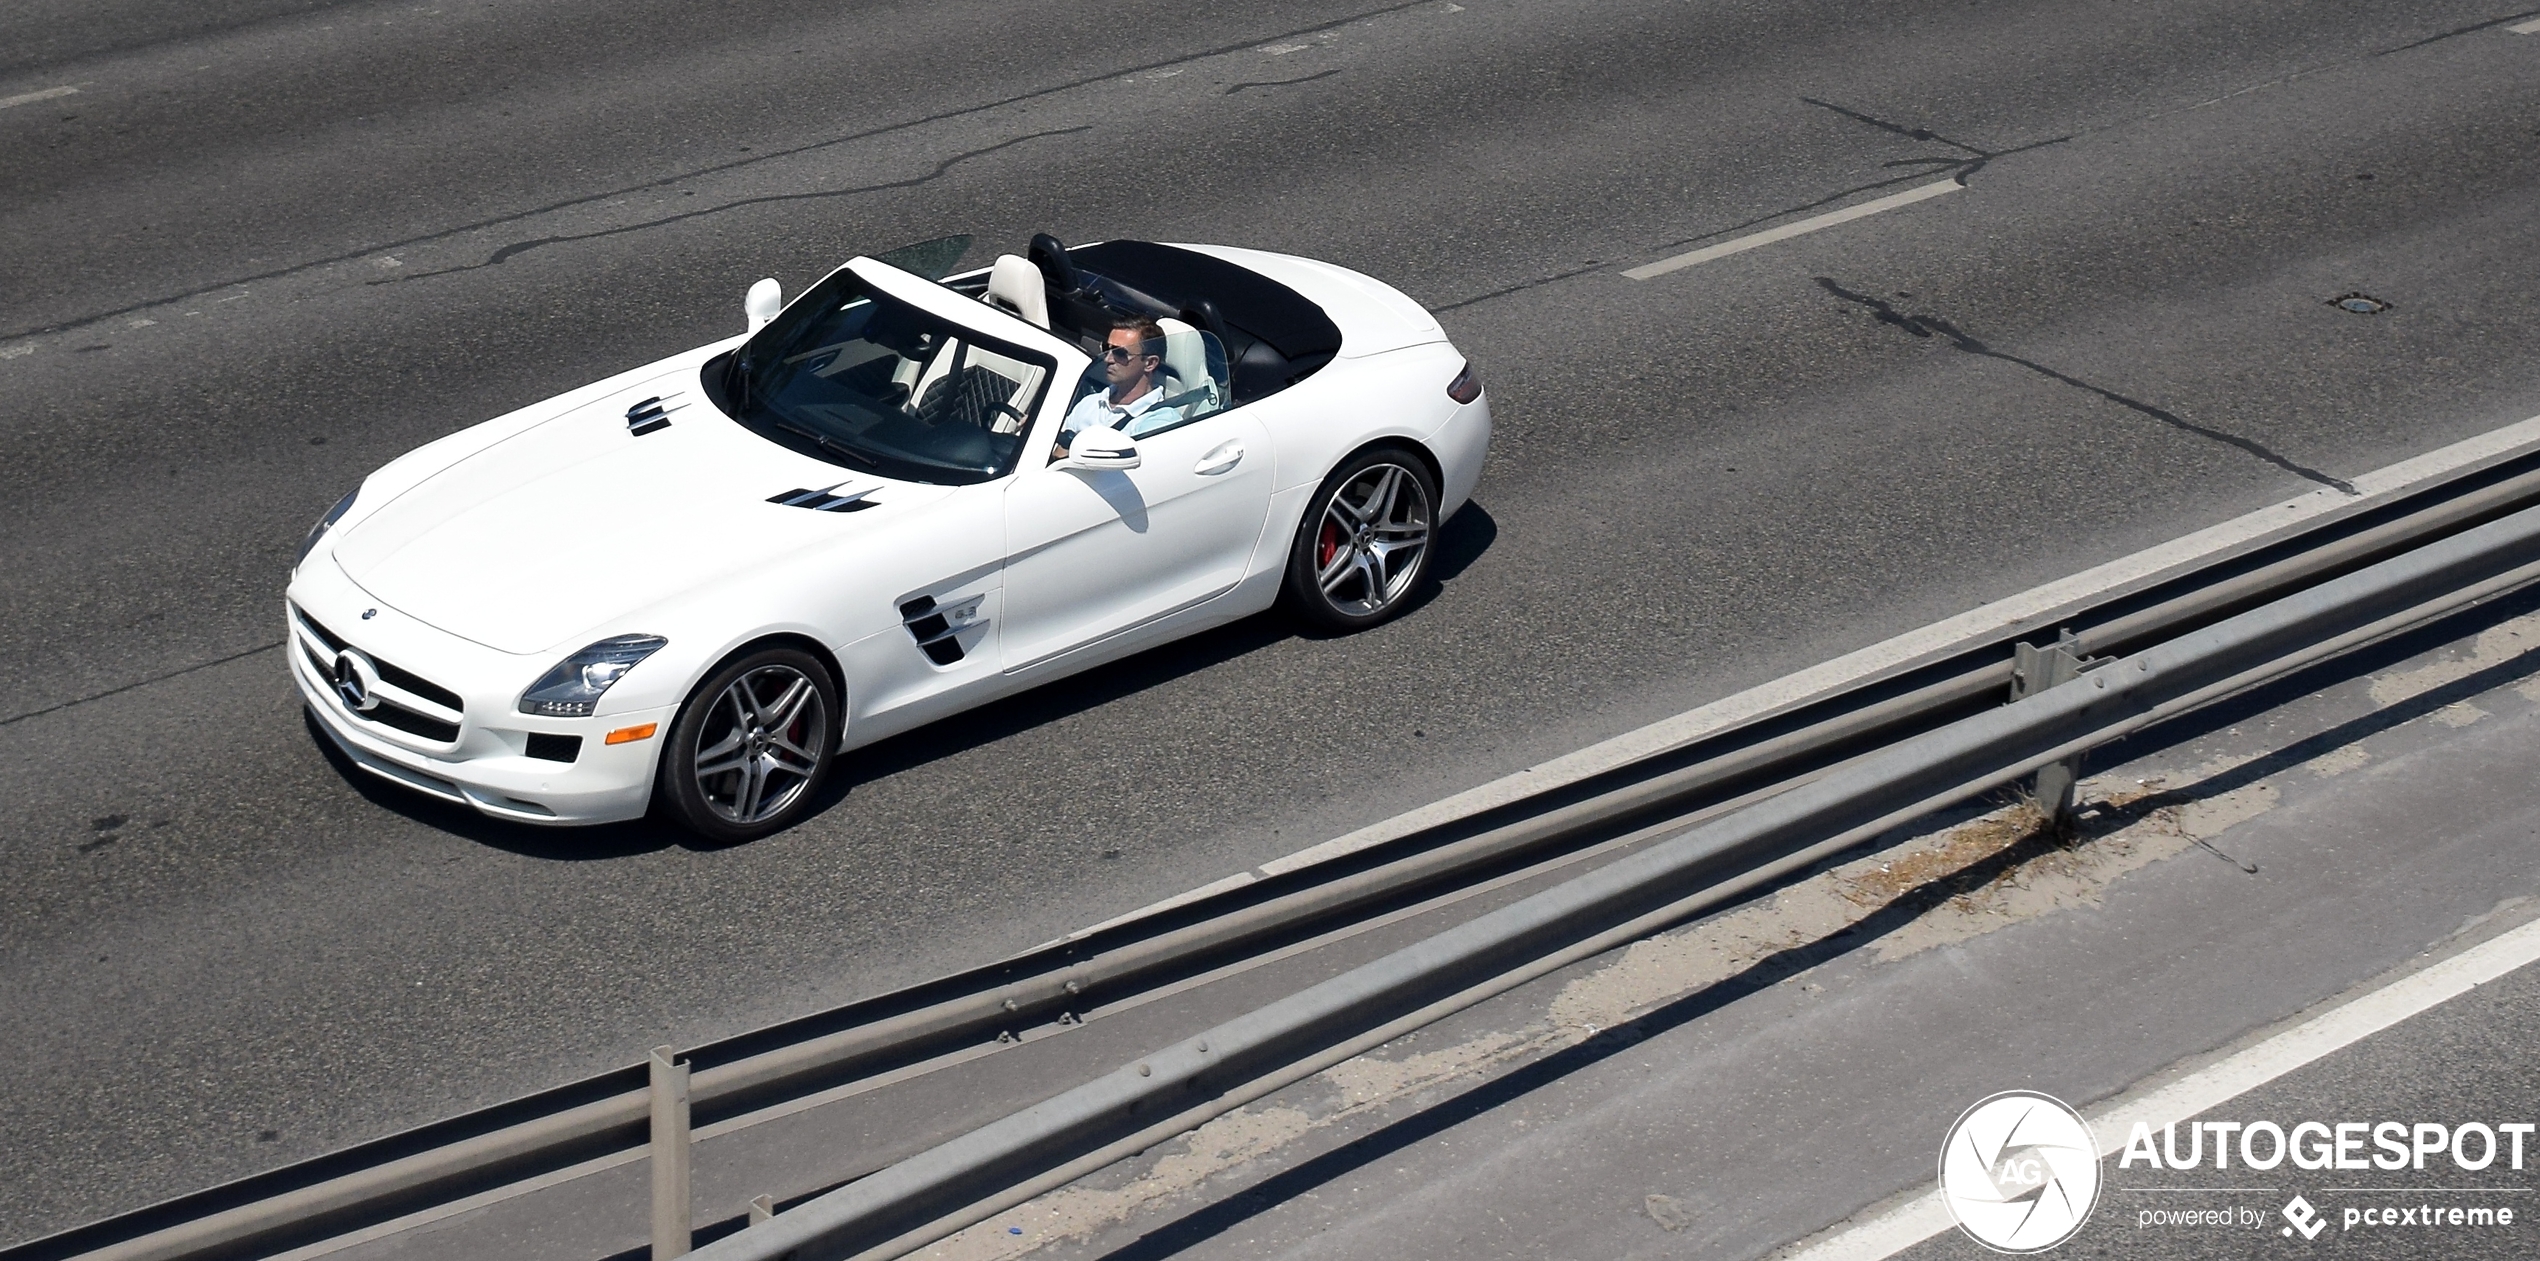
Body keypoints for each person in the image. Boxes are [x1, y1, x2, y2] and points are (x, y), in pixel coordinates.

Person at [1053, 318, 1180, 460]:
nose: (1108, 359)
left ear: (1150, 363)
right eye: (1107, 348)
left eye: (1120, 353)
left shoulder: (1160, 421)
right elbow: (1056, 450)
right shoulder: (1089, 403)